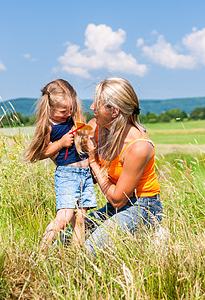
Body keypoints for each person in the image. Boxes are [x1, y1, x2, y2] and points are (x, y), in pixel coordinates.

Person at [59, 77, 163, 256]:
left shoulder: (139, 146)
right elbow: (82, 132)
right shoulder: (99, 127)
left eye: (96, 104)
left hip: (142, 207)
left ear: (114, 111)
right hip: (115, 207)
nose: (91, 107)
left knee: (91, 249)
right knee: (66, 239)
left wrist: (92, 160)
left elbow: (117, 199)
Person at [24, 79, 97, 250]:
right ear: (50, 108)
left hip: (85, 174)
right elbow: (38, 154)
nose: (68, 114)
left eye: (71, 109)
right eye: (63, 111)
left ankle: (78, 256)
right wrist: (60, 143)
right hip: (67, 175)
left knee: (80, 220)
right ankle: (40, 252)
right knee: (64, 217)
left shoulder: (74, 120)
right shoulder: (49, 126)